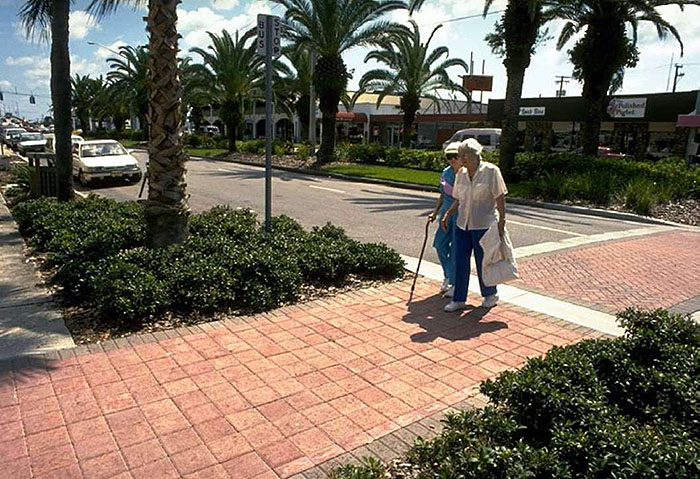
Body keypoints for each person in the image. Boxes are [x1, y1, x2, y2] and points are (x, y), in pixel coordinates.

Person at [441, 138, 507, 312]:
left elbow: (500, 198)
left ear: (475, 155)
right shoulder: (461, 174)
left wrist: (502, 222)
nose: (461, 159)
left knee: (483, 261)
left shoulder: (491, 171)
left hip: (483, 223)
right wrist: (448, 214)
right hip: (463, 223)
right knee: (460, 260)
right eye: (460, 155)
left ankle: (490, 294)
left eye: (464, 155)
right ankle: (459, 299)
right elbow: (458, 198)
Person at [427, 142, 461, 296]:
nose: (452, 160)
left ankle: (454, 282)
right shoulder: (446, 172)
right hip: (445, 215)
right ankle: (448, 275)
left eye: (455, 157)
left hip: (460, 216)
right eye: (449, 157)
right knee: (440, 245)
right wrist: (435, 212)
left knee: (455, 250)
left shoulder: (466, 174)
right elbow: (442, 194)